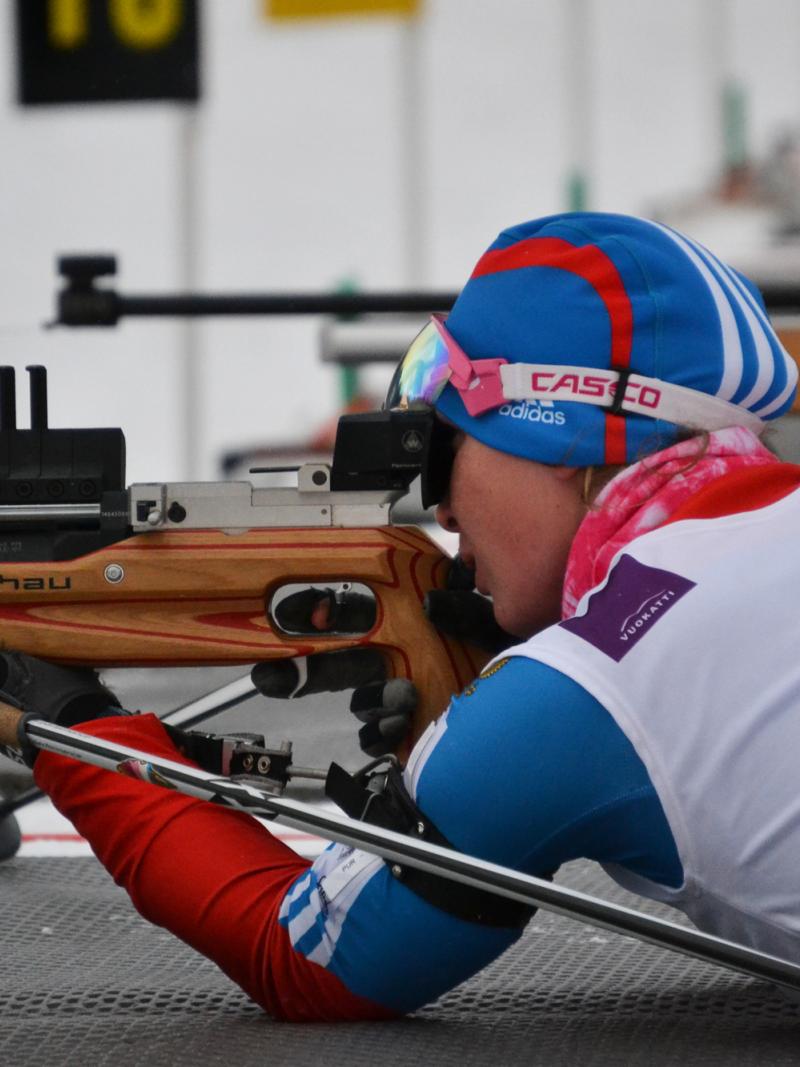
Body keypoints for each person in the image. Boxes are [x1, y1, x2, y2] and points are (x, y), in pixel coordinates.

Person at [4, 211, 800, 1020]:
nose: (443, 509)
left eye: (447, 449)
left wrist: (67, 719)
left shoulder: (589, 690)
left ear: (567, 437)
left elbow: (304, 956)